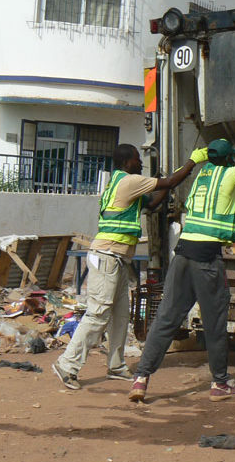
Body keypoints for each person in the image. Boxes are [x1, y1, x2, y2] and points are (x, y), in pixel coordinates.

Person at [128, 131, 235, 402]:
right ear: (229, 160)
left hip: (182, 254)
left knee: (166, 318)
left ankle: (140, 379)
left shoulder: (203, 175)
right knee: (214, 322)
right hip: (206, 259)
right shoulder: (232, 175)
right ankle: (220, 383)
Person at [52, 143, 208, 390]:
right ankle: (67, 364)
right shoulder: (128, 181)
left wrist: (168, 183)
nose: (140, 163)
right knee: (98, 313)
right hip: (107, 255)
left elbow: (153, 202)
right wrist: (191, 163)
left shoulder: (120, 182)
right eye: (137, 159)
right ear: (127, 161)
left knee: (121, 315)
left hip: (117, 258)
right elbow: (165, 184)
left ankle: (116, 365)